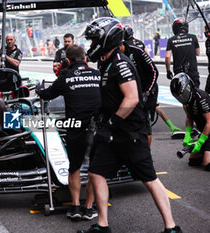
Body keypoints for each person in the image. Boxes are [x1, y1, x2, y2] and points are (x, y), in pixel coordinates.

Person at [78, 17, 182, 233]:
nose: (91, 45)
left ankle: (171, 227)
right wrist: (100, 117)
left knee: (149, 179)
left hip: (131, 133)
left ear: (107, 38)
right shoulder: (106, 62)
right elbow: (112, 98)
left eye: (94, 40)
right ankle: (103, 225)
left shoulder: (121, 63)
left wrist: (110, 124)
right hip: (112, 133)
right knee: (96, 173)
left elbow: (132, 99)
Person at [36, 44, 101, 221]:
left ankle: (75, 207)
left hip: (75, 127)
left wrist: (37, 89)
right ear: (85, 58)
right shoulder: (97, 74)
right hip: (97, 127)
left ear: (67, 61)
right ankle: (89, 208)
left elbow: (46, 94)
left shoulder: (65, 76)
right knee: (96, 170)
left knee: (74, 168)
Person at [170, 73, 210, 171]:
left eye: (183, 95)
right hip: (206, 133)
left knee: (207, 164)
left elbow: (209, 122)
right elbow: (189, 118)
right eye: (179, 97)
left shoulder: (202, 98)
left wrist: (200, 142)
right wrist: (187, 134)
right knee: (193, 161)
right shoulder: (186, 103)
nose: (182, 99)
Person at [165, 19, 200, 88]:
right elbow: (198, 53)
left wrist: (168, 71)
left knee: (181, 95)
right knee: (195, 93)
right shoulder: (193, 37)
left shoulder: (171, 40)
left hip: (179, 73)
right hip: (193, 71)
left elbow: (167, 57)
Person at [204, 23, 210, 93]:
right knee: (206, 93)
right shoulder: (207, 42)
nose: (208, 34)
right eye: (206, 33)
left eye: (209, 32)